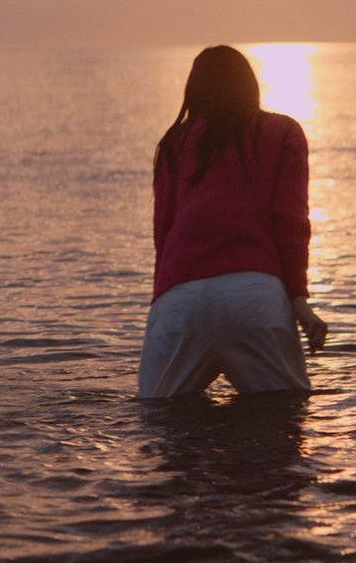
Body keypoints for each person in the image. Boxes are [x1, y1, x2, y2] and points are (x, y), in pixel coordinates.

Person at [137, 45, 329, 399]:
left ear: (193, 90)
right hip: (253, 297)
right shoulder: (282, 132)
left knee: (159, 423)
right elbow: (290, 221)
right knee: (283, 419)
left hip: (179, 300)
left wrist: (163, 306)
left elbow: (163, 235)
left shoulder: (173, 144)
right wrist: (299, 301)